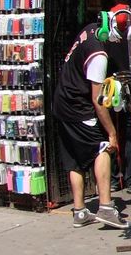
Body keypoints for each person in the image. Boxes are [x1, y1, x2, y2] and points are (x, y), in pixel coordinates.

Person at [52, 16, 125, 228]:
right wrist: (112, 133)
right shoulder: (99, 56)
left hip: (62, 103)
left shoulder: (90, 29)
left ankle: (80, 211)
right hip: (78, 107)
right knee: (102, 148)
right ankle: (106, 207)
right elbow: (98, 100)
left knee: (74, 159)